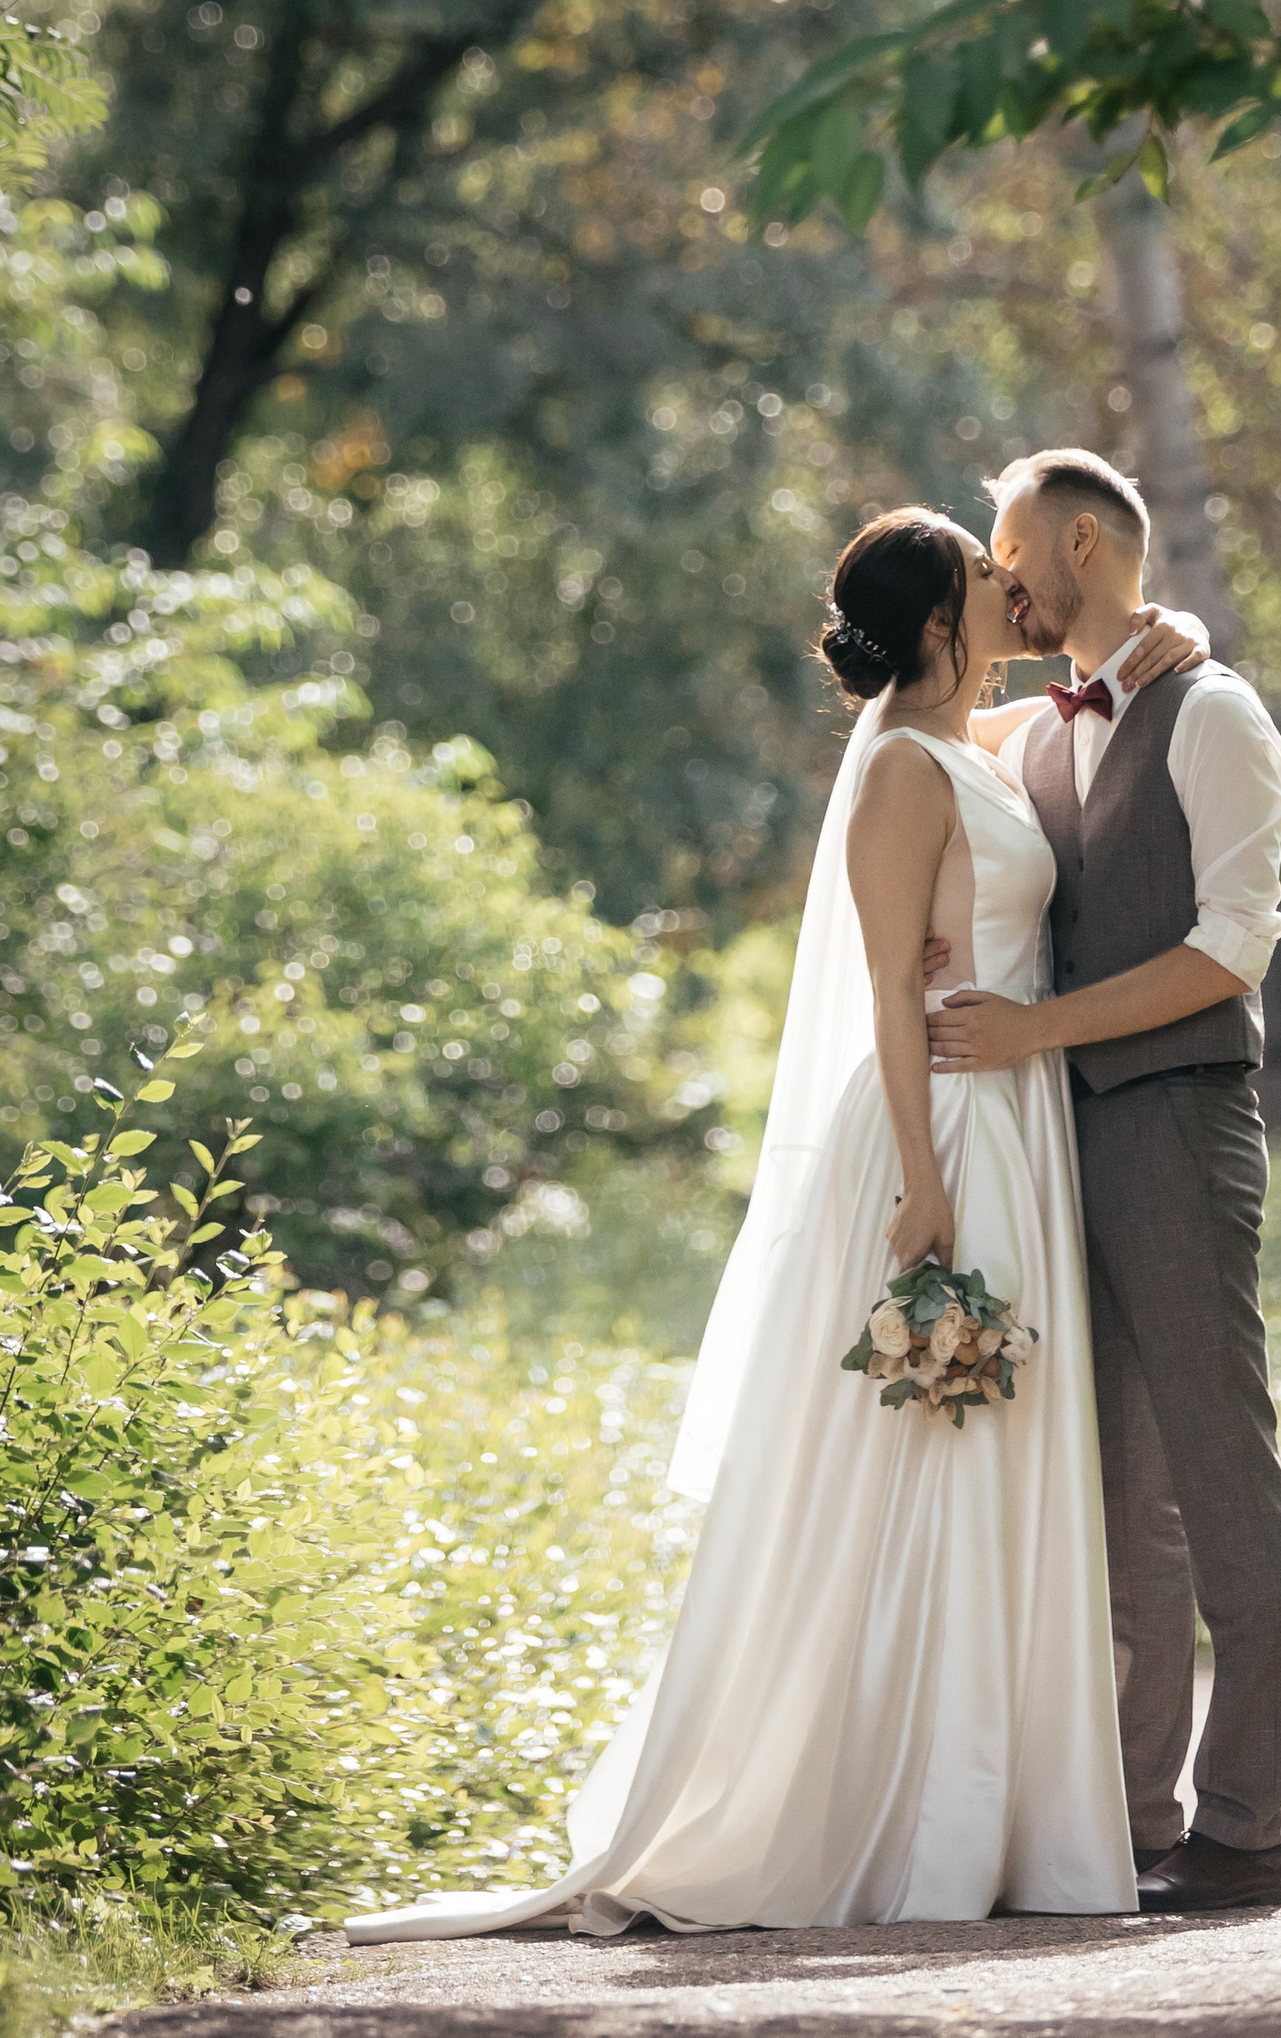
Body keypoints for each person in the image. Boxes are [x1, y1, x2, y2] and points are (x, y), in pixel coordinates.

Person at [347, 506, 1206, 1944]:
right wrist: (922, 1180)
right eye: (983, 575)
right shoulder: (899, 776)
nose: (1010, 584)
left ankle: (998, 1807)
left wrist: (1162, 644)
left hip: (1019, 1120)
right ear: (936, 624)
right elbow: (887, 995)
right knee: (932, 1450)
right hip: (946, 1125)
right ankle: (903, 1807)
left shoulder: (969, 746)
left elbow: (1068, 724)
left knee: (999, 1448)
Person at [926, 446, 1281, 1919]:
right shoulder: (1043, 728)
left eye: (1010, 548)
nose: (1001, 575)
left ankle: (1248, 1830)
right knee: (1122, 1498)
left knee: (1220, 1474)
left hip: (1180, 1131)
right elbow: (919, 734)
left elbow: (1230, 948)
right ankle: (1143, 1824)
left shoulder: (1218, 715)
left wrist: (1036, 1032)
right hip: (1057, 1146)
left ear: (1082, 544)